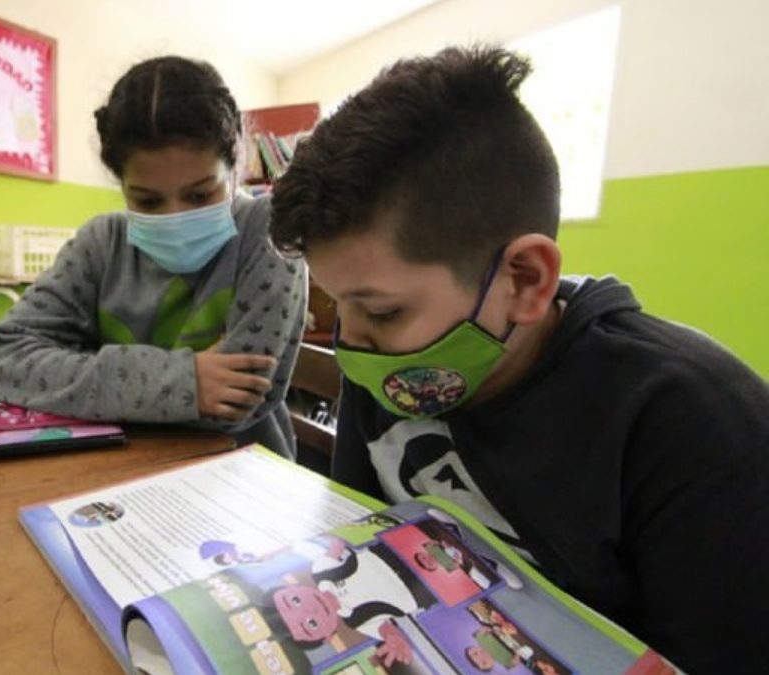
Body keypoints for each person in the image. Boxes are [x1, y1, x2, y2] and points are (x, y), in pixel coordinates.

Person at [268, 45, 769, 672]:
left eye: (385, 311)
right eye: (339, 304)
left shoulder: (698, 425)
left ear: (526, 280)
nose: (352, 342)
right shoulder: (386, 372)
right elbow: (365, 543)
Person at [0, 56, 307, 457]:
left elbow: (237, 404)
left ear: (234, 163)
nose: (175, 216)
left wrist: (81, 375)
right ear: (122, 184)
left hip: (243, 472)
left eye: (201, 195)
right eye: (147, 201)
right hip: (110, 472)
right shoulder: (102, 242)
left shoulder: (267, 230)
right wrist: (186, 381)